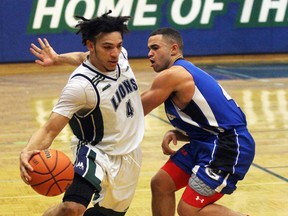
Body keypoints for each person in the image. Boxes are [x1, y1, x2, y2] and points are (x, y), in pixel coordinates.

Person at [29, 27, 255, 216]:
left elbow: (133, 112)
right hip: (207, 141)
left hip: (229, 147)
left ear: (174, 49)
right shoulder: (178, 74)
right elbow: (86, 58)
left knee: (188, 210)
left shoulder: (172, 75)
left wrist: (94, 107)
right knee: (161, 183)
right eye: (148, 48)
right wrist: (181, 133)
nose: (149, 53)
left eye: (155, 48)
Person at [20, 11, 144, 216]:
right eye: (107, 47)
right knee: (72, 208)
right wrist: (28, 150)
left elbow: (81, 57)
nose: (115, 53)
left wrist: (58, 58)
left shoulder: (120, 57)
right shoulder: (81, 86)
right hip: (96, 150)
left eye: (118, 45)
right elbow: (50, 129)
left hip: (130, 155)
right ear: (90, 45)